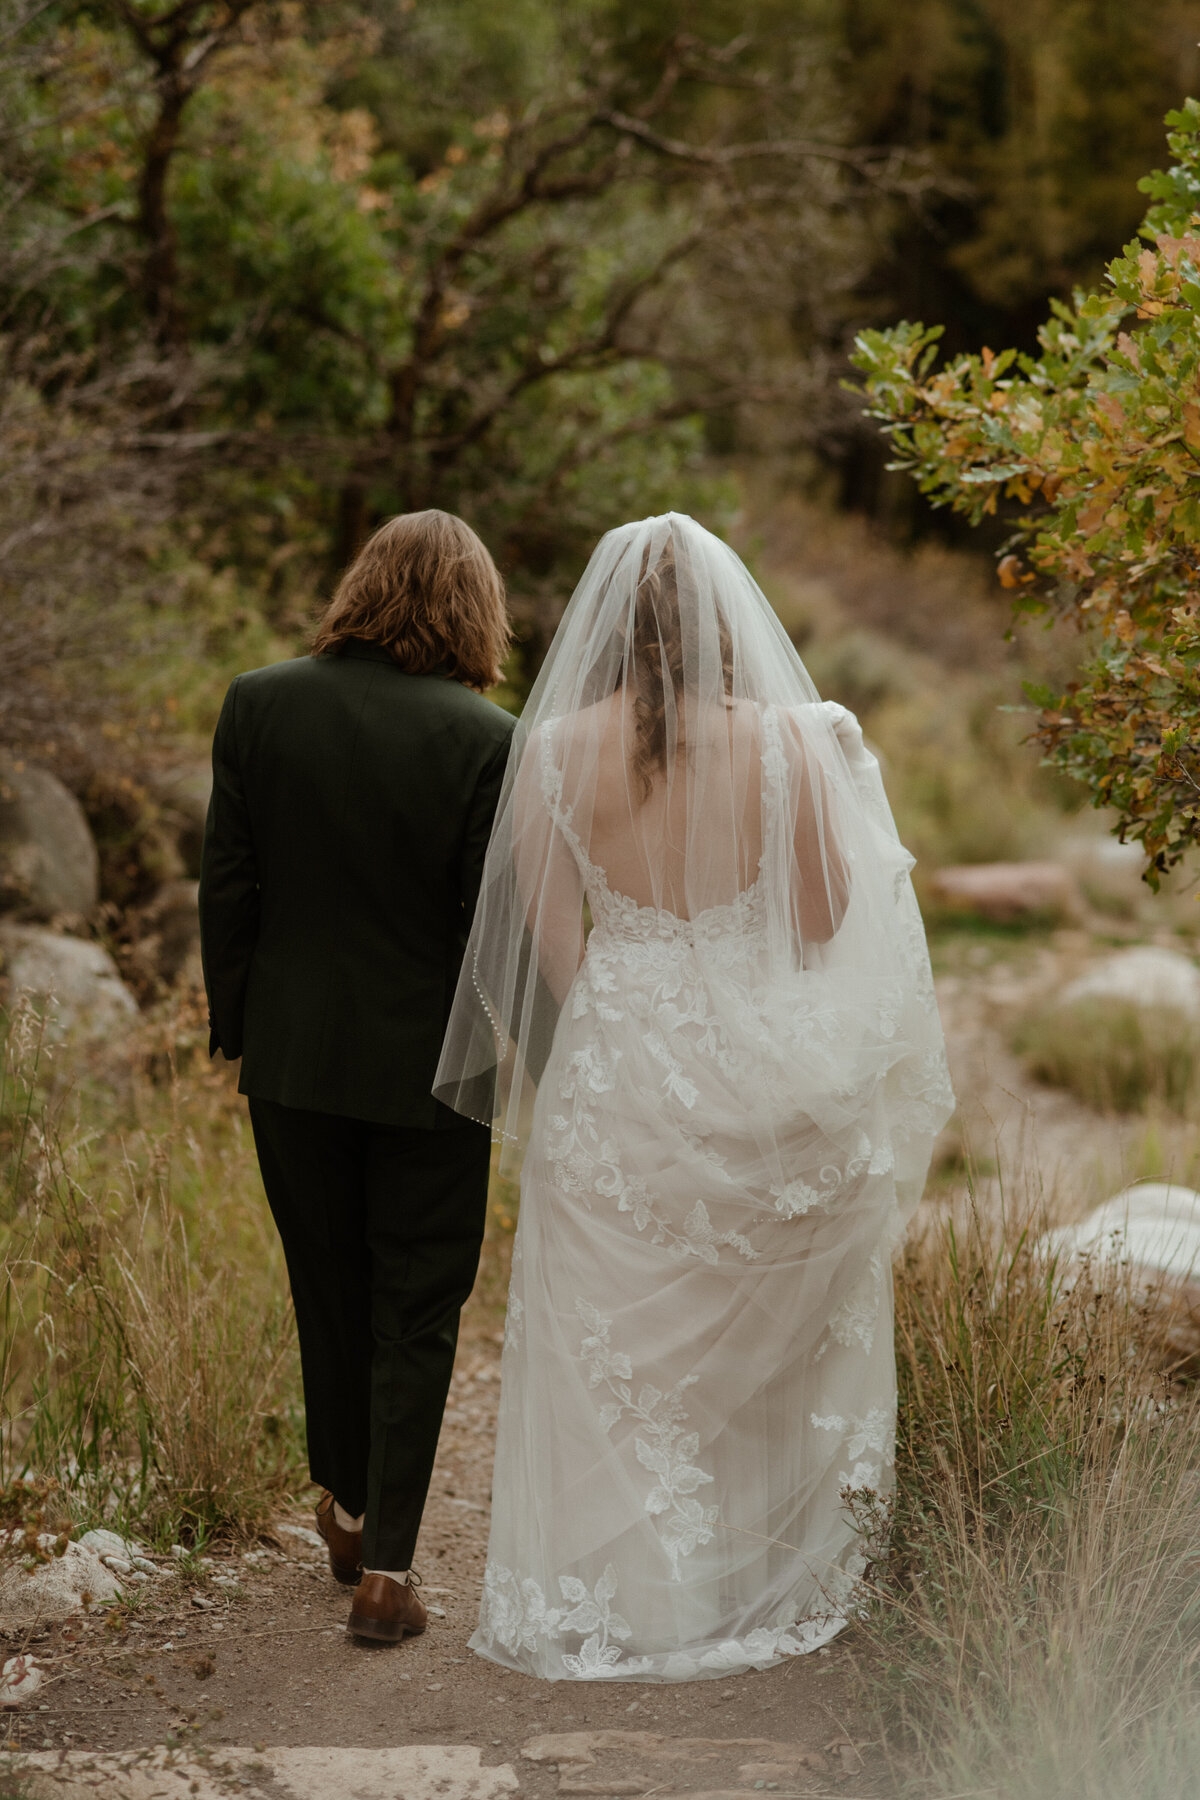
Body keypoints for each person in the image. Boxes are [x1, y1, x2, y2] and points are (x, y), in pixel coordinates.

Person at [434, 513, 953, 1682]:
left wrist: (633, 1010)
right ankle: (750, 1572)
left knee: (612, 1347)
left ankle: (629, 1598)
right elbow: (823, 917)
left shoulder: (552, 748)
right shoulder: (788, 744)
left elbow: (549, 941)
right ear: (730, 628)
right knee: (758, 1336)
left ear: (605, 630)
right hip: (761, 1068)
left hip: (620, 1071)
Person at [199, 509, 515, 1645]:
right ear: (472, 607)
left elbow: (229, 884)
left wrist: (237, 1024)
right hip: (434, 1073)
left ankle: (339, 1502)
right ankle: (388, 1572)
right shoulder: (487, 740)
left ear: (361, 588)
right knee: (417, 1309)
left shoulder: (258, 702)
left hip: (292, 1060)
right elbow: (492, 933)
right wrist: (503, 1058)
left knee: (323, 1284)